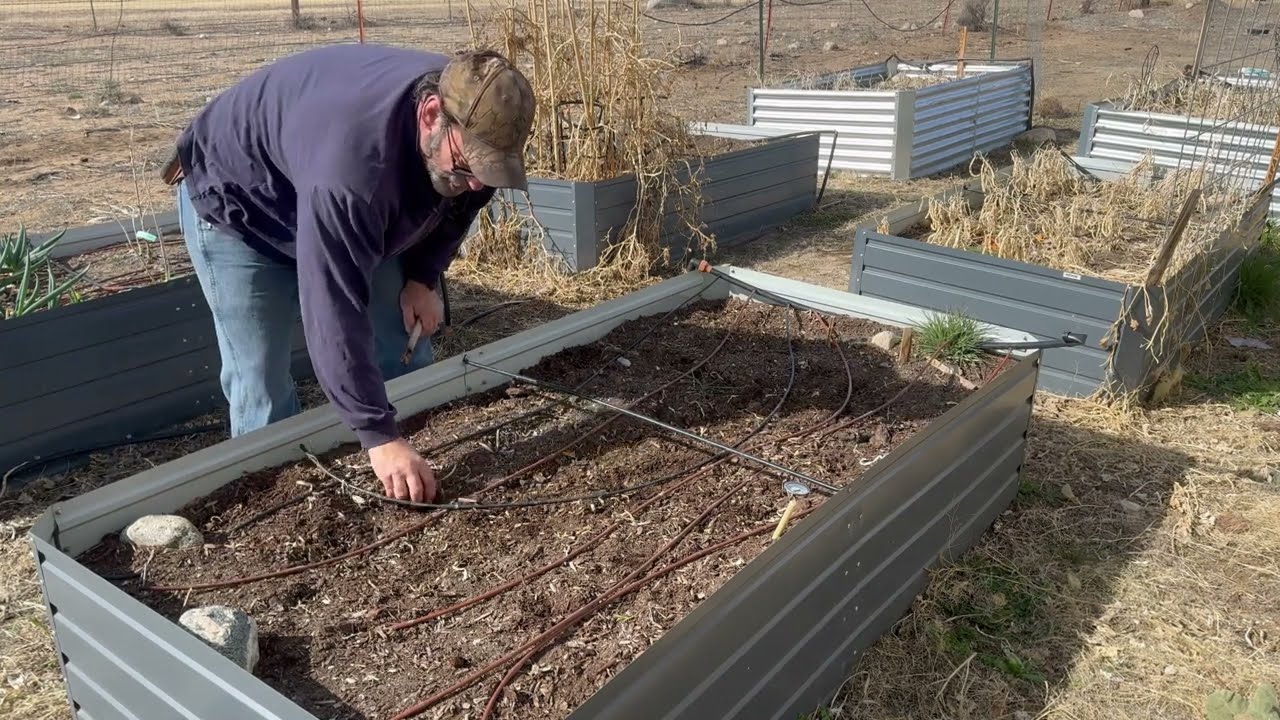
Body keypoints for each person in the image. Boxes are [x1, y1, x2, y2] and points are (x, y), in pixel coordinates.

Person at [162, 43, 535, 505]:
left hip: (320, 174)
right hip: (240, 201)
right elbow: (334, 307)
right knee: (261, 379)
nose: (477, 181)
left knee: (401, 341)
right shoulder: (355, 171)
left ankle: (414, 449)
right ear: (431, 114)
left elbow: (465, 199)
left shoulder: (477, 110)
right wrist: (378, 435)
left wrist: (422, 277)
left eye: (489, 168)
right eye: (467, 165)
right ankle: (282, 509)